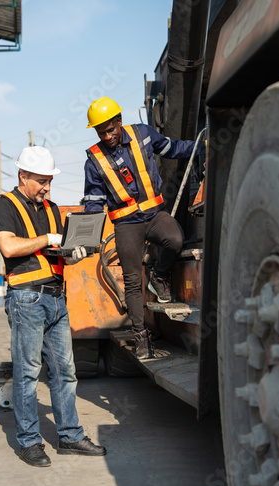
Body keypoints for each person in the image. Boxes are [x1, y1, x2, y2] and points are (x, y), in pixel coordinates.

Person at [0, 145, 106, 467]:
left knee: (65, 372)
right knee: (28, 374)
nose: (47, 188)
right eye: (41, 181)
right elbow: (9, 247)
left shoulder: (52, 208)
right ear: (23, 176)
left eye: (50, 181)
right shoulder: (4, 205)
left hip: (56, 298)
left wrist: (73, 251)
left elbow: (58, 253)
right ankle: (29, 442)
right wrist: (49, 239)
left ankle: (69, 435)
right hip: (26, 299)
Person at [84, 97, 205, 360]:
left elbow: (172, 148)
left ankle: (159, 277)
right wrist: (87, 232)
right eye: (100, 132)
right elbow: (93, 201)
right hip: (126, 224)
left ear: (119, 121)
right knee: (131, 280)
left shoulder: (143, 134)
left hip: (154, 215)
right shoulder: (94, 160)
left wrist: (202, 144)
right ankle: (141, 335)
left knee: (174, 239)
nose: (106, 136)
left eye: (110, 129)